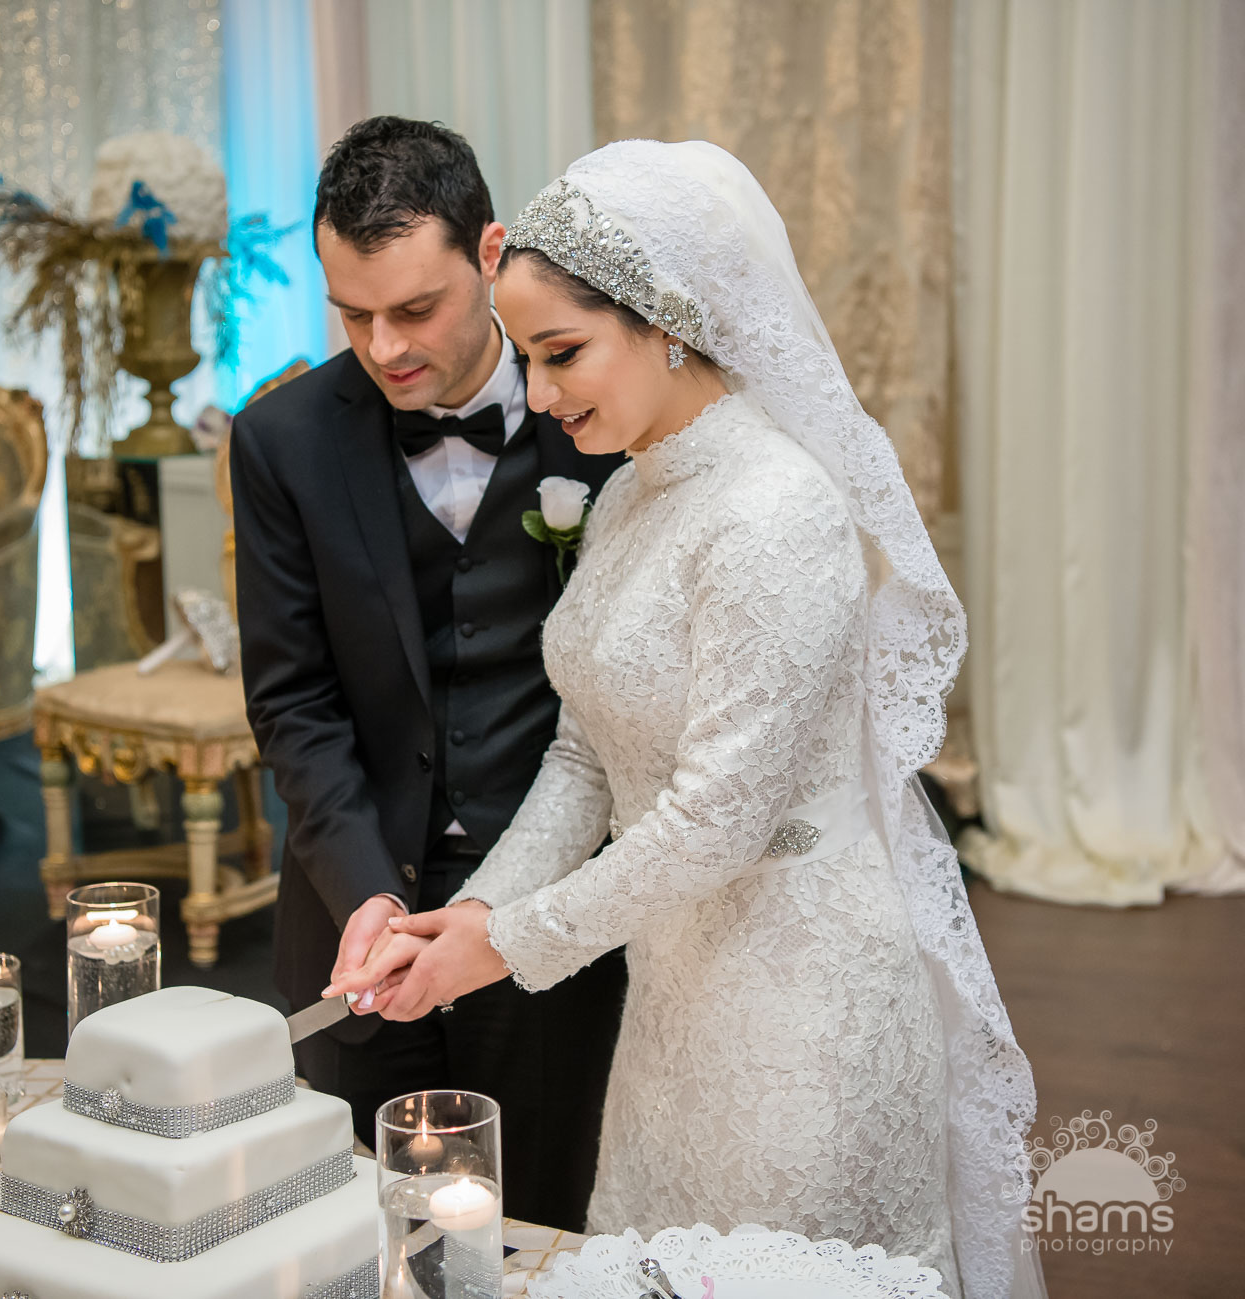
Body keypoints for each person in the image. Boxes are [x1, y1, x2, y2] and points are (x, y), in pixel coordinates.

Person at [330, 141, 1046, 1299]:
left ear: (666, 322)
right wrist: (470, 913)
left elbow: (717, 817)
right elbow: (583, 755)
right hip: (674, 987)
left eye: (563, 353)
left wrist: (504, 947)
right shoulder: (627, 494)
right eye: (527, 357)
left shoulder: (778, 510)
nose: (541, 396)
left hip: (799, 1004)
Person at [228, 116, 627, 1232]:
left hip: (550, 918)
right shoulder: (281, 441)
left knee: (539, 1223)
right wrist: (366, 894)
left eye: (415, 309)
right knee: (367, 1232)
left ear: (490, 253)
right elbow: (293, 703)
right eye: (352, 314)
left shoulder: (604, 422)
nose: (384, 346)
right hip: (356, 919)